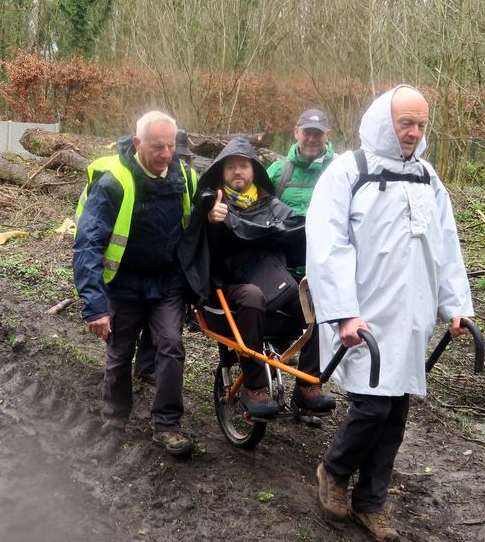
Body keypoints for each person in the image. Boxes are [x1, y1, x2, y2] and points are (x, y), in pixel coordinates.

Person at [306, 86, 474, 541]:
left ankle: (371, 502)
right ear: (385, 122)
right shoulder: (348, 173)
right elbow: (327, 249)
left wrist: (455, 305)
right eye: (406, 124)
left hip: (411, 316)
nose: (414, 133)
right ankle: (334, 471)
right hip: (364, 318)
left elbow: (446, 244)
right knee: (373, 406)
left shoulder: (426, 177)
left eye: (421, 125)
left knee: (396, 409)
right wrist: (343, 313)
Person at [180, 138, 336, 419]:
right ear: (222, 173)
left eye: (243, 166)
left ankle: (307, 384)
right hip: (226, 292)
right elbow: (197, 250)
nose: (237, 172)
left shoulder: (272, 206)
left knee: (317, 301)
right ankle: (254, 387)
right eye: (231, 167)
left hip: (273, 285)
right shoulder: (213, 205)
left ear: (253, 172)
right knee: (252, 295)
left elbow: (295, 232)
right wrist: (211, 222)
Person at [72, 111, 197, 457]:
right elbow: (88, 243)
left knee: (171, 345)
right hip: (125, 283)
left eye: (171, 146)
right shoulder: (114, 181)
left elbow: (198, 224)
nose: (166, 154)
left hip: (167, 282)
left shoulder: (184, 177)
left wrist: (215, 213)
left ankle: (167, 425)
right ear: (139, 143)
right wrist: (95, 306)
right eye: (158, 147)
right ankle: (115, 416)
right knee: (120, 349)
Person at [133, 129, 197, 385]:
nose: (170, 158)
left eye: (177, 152)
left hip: (173, 266)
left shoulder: (188, 178)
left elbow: (193, 219)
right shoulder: (139, 178)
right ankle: (141, 366)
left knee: (165, 328)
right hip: (137, 267)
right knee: (139, 325)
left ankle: (147, 366)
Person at [267, 109, 335, 215]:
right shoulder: (277, 170)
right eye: (307, 133)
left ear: (327, 136)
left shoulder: (340, 169)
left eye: (318, 134)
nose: (312, 139)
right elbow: (255, 203)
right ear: (296, 132)